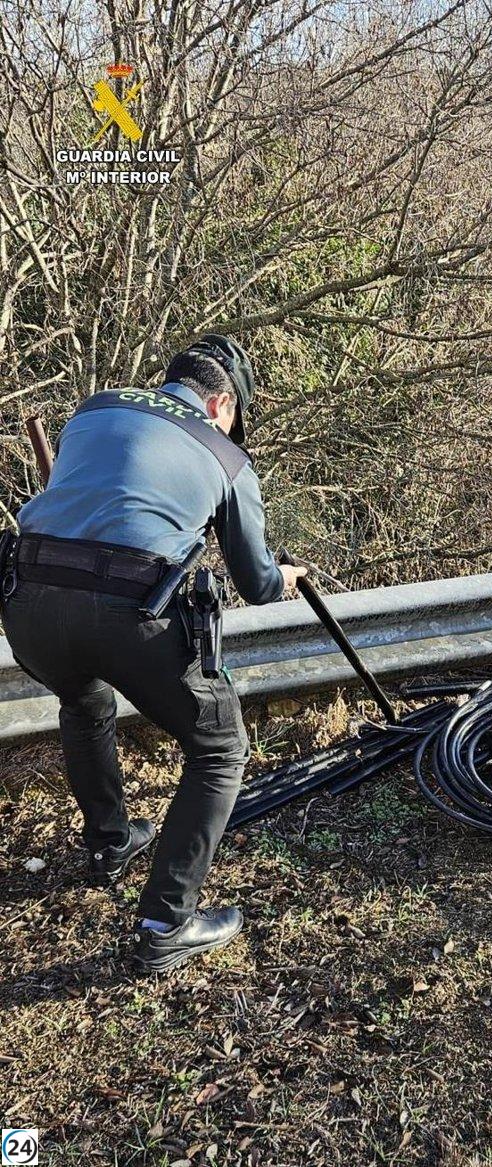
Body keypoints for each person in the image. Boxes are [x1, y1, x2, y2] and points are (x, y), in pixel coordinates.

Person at [1, 335, 306, 972]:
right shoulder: (225, 454)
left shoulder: (94, 409)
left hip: (27, 601)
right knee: (220, 749)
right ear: (221, 404)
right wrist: (287, 578)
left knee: (83, 703)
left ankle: (111, 843)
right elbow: (255, 583)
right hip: (131, 613)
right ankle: (167, 922)